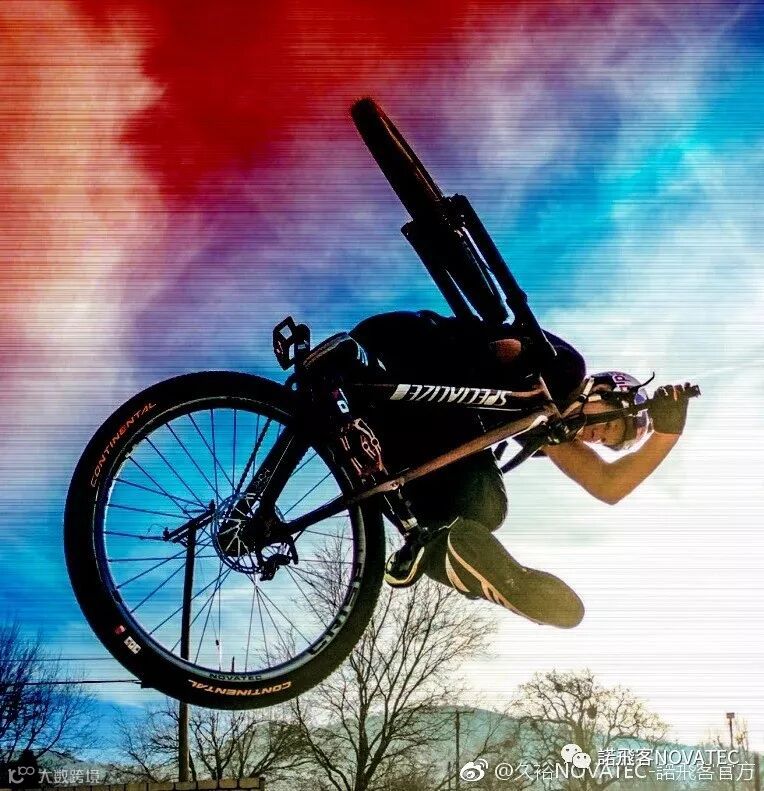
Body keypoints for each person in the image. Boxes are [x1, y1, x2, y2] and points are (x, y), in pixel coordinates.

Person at [348, 309, 696, 629]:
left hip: (400, 414)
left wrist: (667, 434)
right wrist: (515, 357)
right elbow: (502, 348)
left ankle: (442, 551)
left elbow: (607, 485)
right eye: (608, 425)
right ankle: (432, 542)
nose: (595, 437)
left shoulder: (544, 424)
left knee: (482, 511)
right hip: (407, 347)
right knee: (483, 503)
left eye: (604, 441)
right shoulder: (567, 371)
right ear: (604, 390)